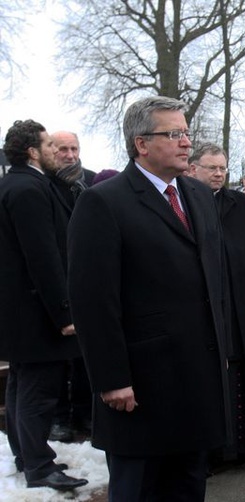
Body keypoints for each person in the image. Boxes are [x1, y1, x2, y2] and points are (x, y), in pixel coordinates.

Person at [67, 96, 230, 501]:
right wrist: (112, 379)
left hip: (197, 377)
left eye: (187, 133)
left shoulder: (198, 194)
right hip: (140, 387)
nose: (186, 143)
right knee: (140, 489)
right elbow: (93, 300)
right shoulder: (104, 202)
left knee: (189, 486)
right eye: (174, 134)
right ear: (141, 143)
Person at [0, 120, 88, 491]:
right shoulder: (30, 189)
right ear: (34, 151)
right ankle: (39, 466)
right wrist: (64, 312)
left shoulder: (14, 184)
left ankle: (27, 455)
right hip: (37, 313)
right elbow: (44, 257)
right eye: (50, 145)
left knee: (21, 385)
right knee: (38, 390)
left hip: (20, 312)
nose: (57, 151)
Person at [188, 143, 245, 465]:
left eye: (222, 167)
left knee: (240, 374)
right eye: (211, 167)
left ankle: (244, 446)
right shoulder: (185, 202)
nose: (218, 173)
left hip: (238, 304)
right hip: (203, 307)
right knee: (209, 378)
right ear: (193, 168)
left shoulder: (239, 203)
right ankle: (210, 454)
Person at [48, 130, 97, 443]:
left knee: (85, 354)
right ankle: (58, 417)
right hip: (57, 278)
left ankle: (84, 411)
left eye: (74, 148)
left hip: (89, 278)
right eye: (62, 148)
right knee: (59, 357)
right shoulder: (45, 185)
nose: (69, 154)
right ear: (50, 150)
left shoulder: (89, 181)